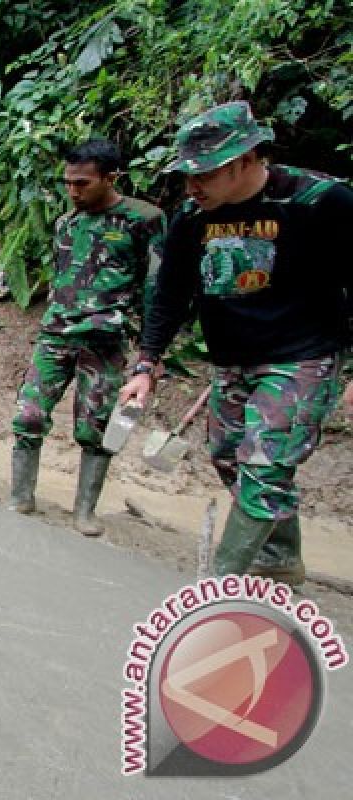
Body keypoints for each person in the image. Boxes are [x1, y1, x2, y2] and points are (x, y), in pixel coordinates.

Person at [119, 101, 352, 585]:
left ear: (248, 159)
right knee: (228, 457)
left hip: (302, 357)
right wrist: (146, 363)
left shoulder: (318, 201)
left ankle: (215, 590)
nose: (192, 185)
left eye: (205, 173)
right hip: (233, 361)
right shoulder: (191, 218)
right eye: (187, 174)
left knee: (264, 465)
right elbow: (169, 294)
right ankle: (279, 558)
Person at [8, 140, 166, 535]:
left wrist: (151, 352)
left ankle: (84, 511)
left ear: (111, 178)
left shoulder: (143, 220)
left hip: (106, 341)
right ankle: (20, 497)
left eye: (82, 183)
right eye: (68, 183)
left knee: (93, 428)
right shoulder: (67, 223)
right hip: (56, 334)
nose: (73, 191)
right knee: (28, 415)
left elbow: (156, 289)